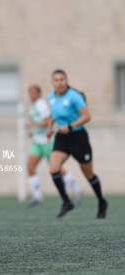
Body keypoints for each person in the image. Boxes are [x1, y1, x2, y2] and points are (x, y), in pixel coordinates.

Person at [46, 69, 108, 218]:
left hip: (78, 138)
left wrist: (70, 126)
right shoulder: (51, 97)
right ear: (52, 82)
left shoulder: (74, 97)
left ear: (66, 81)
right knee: (54, 169)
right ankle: (66, 202)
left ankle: (101, 201)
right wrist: (49, 129)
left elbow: (87, 116)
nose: (59, 83)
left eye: (62, 79)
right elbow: (53, 114)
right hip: (62, 138)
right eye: (56, 80)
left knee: (89, 174)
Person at [25, 84, 82, 208]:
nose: (31, 95)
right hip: (37, 142)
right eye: (30, 93)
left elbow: (46, 122)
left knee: (57, 169)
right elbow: (36, 123)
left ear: (38, 93)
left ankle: (76, 189)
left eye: (33, 92)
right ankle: (37, 196)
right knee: (30, 167)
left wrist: (32, 125)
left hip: (47, 142)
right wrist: (32, 132)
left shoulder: (41, 105)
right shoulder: (33, 107)